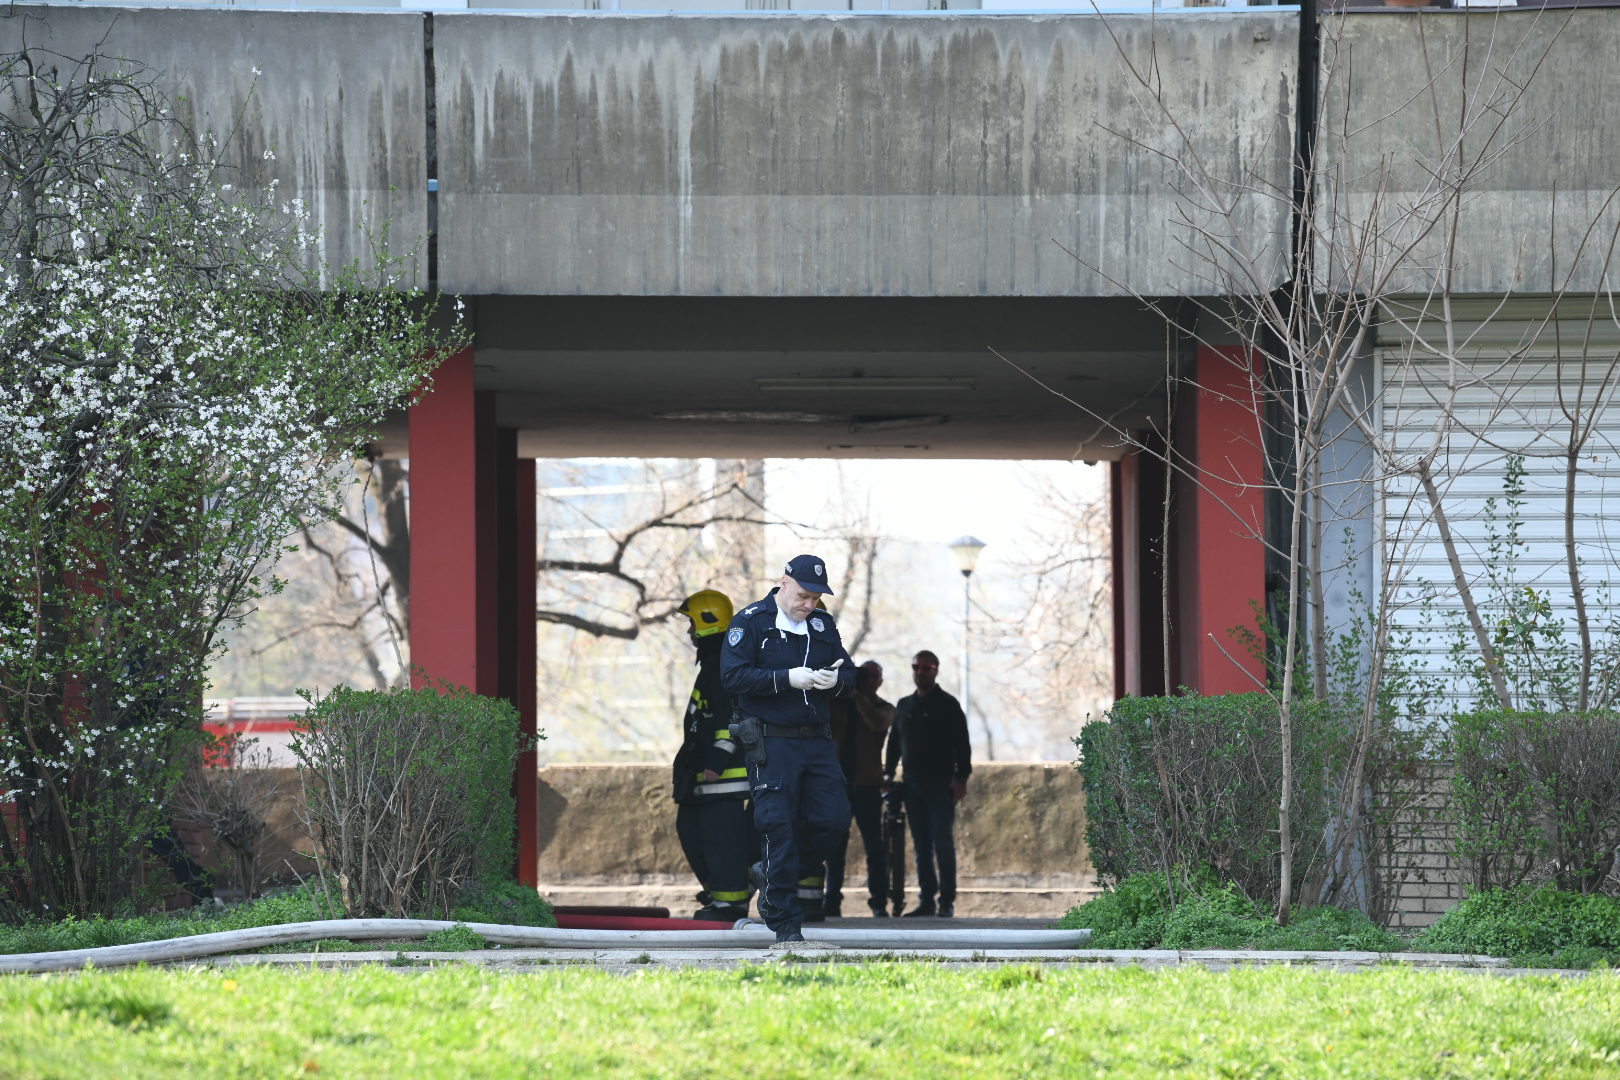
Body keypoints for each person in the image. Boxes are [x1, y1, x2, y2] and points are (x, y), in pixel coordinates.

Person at [721, 554, 856, 944]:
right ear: (784, 583)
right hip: (772, 741)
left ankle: (774, 873)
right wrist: (786, 679)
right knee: (777, 826)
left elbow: (850, 673)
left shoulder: (821, 624)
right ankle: (784, 923)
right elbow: (732, 676)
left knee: (833, 819)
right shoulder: (752, 622)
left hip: (816, 740)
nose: (809, 604)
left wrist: (835, 682)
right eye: (803, 595)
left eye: (816, 598)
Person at [672, 589, 753, 922]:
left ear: (707, 622)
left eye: (692, 623)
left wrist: (716, 762)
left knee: (722, 843)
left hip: (722, 779)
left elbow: (731, 717)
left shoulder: (722, 664)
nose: (689, 631)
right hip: (706, 778)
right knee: (695, 833)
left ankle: (730, 903)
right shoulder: (715, 661)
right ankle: (725, 893)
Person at [883, 649, 972, 918]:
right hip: (912, 785)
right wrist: (888, 774)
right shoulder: (904, 706)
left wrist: (961, 778)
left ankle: (946, 901)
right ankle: (926, 900)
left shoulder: (949, 705)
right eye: (916, 668)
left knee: (943, 844)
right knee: (921, 846)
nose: (921, 672)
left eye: (927, 668)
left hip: (940, 785)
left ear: (936, 670)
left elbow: (962, 745)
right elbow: (894, 744)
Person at [825, 660, 895, 918]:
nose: (865, 681)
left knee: (875, 848)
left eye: (870, 677)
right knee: (835, 848)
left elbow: (878, 723)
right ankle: (831, 900)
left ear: (879, 682)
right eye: (861, 677)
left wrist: (858, 695)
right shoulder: (839, 706)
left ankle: (878, 902)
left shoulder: (883, 708)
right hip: (840, 785)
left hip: (868, 787)